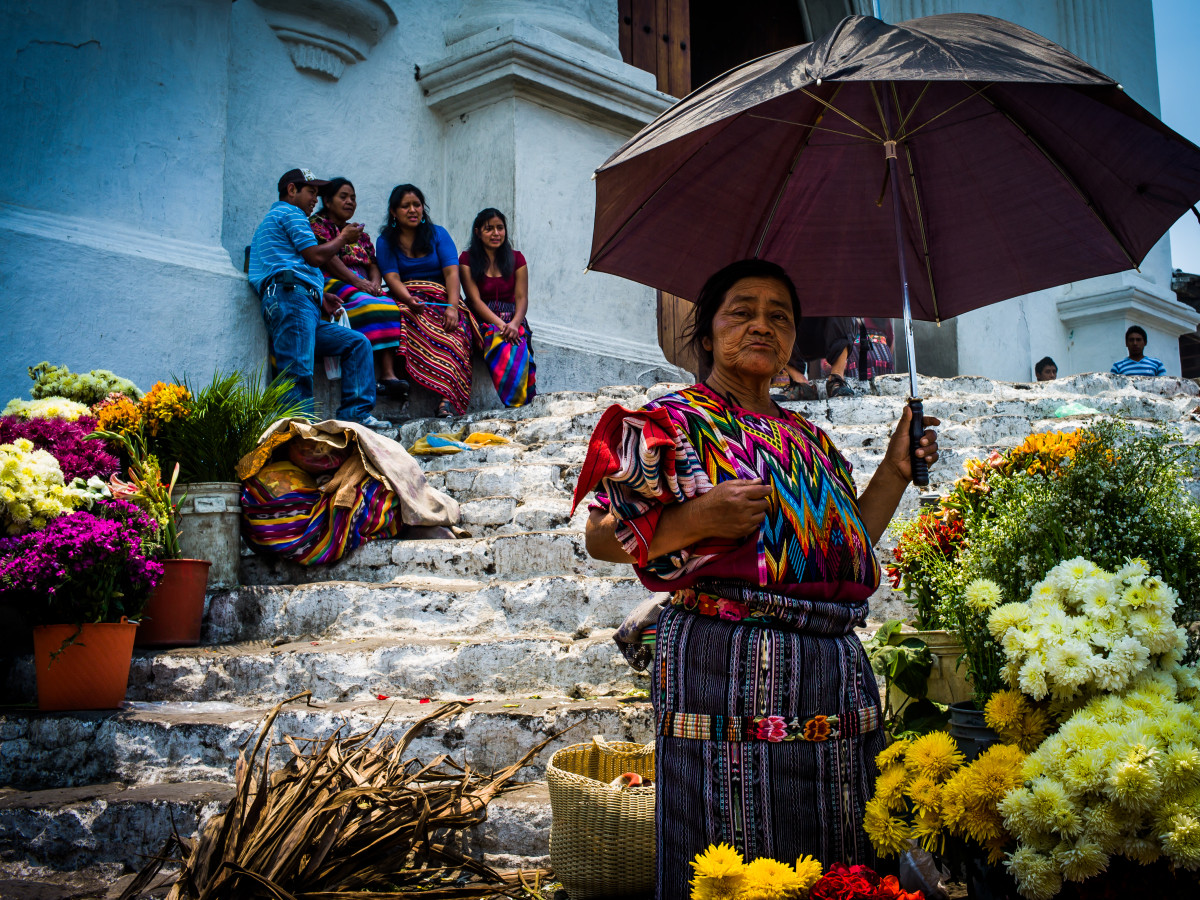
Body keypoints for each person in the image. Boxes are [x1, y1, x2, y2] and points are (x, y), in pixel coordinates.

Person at [574, 259, 939, 896]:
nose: (762, 325)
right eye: (742, 311)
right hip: (723, 676)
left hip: (833, 682)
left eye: (780, 316)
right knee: (729, 851)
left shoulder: (812, 440)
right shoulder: (673, 422)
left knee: (839, 851)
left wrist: (895, 468)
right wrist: (694, 518)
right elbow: (602, 536)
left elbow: (840, 550)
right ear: (708, 333)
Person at [248, 168, 386, 428]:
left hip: (299, 300)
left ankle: (354, 416)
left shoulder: (275, 219)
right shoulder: (291, 213)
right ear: (291, 190)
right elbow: (315, 257)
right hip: (292, 299)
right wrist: (343, 238)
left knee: (356, 344)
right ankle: (298, 435)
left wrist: (320, 296)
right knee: (298, 370)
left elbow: (289, 263)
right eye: (311, 192)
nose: (315, 199)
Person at [375, 184, 472, 417]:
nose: (412, 210)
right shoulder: (386, 241)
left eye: (416, 204)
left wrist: (452, 307)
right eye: (405, 206)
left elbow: (451, 273)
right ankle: (396, 386)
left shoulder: (438, 234)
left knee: (457, 333)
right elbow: (392, 277)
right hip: (406, 297)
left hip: (442, 298)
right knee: (401, 317)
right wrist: (409, 300)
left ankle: (447, 400)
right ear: (393, 212)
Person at [309, 178, 409, 401]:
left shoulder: (359, 233)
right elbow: (329, 259)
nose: (350, 202)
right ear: (327, 200)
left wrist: (374, 282)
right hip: (333, 279)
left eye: (353, 198)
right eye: (343, 197)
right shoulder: (317, 224)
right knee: (367, 306)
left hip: (360, 282)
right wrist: (359, 283)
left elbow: (373, 263)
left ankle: (387, 374)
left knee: (390, 305)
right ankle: (368, 376)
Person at [459, 208, 537, 407]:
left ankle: (526, 400)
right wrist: (503, 326)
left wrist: (515, 323)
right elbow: (474, 300)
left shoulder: (517, 259)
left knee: (518, 342)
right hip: (481, 318)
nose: (496, 233)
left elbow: (521, 297)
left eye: (500, 228)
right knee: (499, 339)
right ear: (477, 232)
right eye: (489, 229)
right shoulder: (467, 260)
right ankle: (515, 403)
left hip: (512, 316)